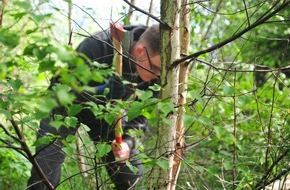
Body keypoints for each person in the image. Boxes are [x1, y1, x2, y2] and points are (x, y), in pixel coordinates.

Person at [27, 23, 161, 190]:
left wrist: (127, 142)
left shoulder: (157, 75)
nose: (156, 76)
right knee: (45, 169)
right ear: (140, 51)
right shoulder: (98, 45)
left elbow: (142, 114)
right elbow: (62, 90)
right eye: (154, 68)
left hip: (108, 113)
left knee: (130, 176)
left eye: (160, 72)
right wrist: (101, 91)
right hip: (65, 107)